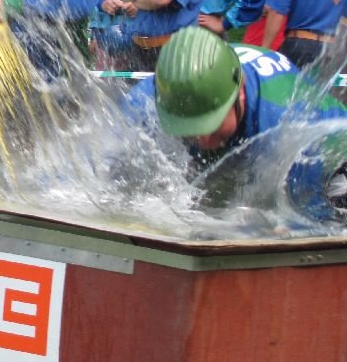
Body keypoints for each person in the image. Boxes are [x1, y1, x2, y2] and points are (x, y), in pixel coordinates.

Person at [127, 26, 347, 222]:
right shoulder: (150, 98)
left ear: (239, 94)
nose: (202, 139)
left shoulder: (288, 130)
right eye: (188, 129)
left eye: (211, 125)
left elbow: (305, 226)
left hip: (335, 153)